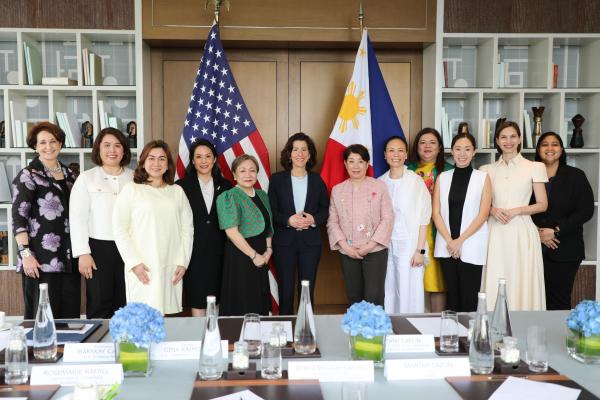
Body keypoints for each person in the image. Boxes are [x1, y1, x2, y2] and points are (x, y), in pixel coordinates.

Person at [112, 140, 193, 315]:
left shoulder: (177, 192)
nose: (156, 164)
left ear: (168, 164)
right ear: (143, 162)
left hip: (171, 265)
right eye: (151, 158)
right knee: (142, 317)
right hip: (143, 266)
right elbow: (120, 229)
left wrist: (183, 261)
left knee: (166, 317)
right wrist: (134, 263)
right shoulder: (131, 190)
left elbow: (188, 229)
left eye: (162, 159)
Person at [12, 121, 80, 318]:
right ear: (35, 146)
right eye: (42, 142)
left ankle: (65, 350)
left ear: (60, 144)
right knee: (42, 317)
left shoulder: (71, 175)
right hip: (40, 260)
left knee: (69, 318)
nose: (48, 146)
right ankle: (41, 350)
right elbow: (18, 217)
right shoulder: (28, 174)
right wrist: (26, 255)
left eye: (53, 141)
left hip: (68, 258)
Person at [481, 121, 548, 311]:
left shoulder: (535, 166)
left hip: (521, 230)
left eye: (512, 136)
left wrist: (516, 210)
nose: (508, 141)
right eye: (503, 137)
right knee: (495, 275)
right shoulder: (486, 170)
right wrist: (493, 210)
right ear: (497, 140)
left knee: (521, 278)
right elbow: (481, 205)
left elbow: (543, 204)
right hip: (495, 231)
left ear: (519, 139)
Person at [69, 128, 133, 319]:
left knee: (126, 300)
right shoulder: (86, 178)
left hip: (129, 247)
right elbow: (77, 217)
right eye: (106, 145)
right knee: (99, 301)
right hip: (98, 248)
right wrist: (83, 253)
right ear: (98, 149)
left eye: (117, 145)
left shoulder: (135, 177)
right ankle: (100, 347)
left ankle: (125, 346)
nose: (112, 150)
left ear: (124, 150)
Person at [532, 132, 594, 310]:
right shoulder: (530, 175)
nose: (549, 148)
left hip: (565, 249)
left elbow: (585, 211)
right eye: (544, 144)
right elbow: (523, 207)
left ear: (561, 150)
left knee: (558, 302)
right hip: (533, 247)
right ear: (538, 150)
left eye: (554, 144)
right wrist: (539, 232)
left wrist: (555, 231)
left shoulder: (575, 176)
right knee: (533, 301)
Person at [268, 133, 329, 315]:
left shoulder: (317, 180)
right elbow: (271, 210)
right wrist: (288, 220)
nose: (300, 153)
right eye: (295, 149)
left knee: (307, 290)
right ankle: (285, 330)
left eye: (304, 149)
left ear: (310, 155)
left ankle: (305, 330)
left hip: (310, 243)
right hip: (284, 243)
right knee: (285, 290)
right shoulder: (277, 179)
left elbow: (325, 209)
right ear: (289, 154)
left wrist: (313, 220)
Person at [327, 144, 393, 307]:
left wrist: (369, 246)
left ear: (367, 164)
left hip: (375, 250)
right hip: (348, 251)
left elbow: (388, 218)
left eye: (360, 161)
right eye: (351, 161)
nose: (356, 166)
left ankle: (376, 333)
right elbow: (332, 221)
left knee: (374, 296)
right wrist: (345, 246)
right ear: (345, 164)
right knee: (353, 296)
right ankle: (356, 332)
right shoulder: (337, 190)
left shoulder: (379, 186)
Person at [432, 133, 492, 312]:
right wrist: (451, 241)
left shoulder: (482, 177)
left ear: (474, 152)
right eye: (458, 149)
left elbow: (483, 214)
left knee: (469, 297)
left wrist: (459, 241)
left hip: (471, 244)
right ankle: (453, 337)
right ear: (452, 151)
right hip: (446, 245)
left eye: (467, 149)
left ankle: (469, 338)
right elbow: (436, 213)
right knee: (452, 298)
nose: (462, 153)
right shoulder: (443, 177)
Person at [175, 139, 232, 316]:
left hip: (221, 251)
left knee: (219, 297)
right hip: (193, 251)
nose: (204, 161)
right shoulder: (180, 187)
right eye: (198, 157)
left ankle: (215, 339)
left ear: (215, 159)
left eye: (208, 156)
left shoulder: (227, 186)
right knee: (197, 298)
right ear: (192, 160)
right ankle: (200, 340)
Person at [379, 136, 430, 313]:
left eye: (400, 150)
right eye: (391, 150)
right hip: (385, 245)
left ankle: (409, 333)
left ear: (406, 154)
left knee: (410, 291)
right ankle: (389, 330)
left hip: (410, 245)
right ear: (385, 155)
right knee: (389, 288)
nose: (396, 154)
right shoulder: (380, 182)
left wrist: (420, 251)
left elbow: (424, 219)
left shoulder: (416, 182)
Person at [217, 154, 273, 316]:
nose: (248, 175)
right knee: (243, 298)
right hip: (241, 255)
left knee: (258, 299)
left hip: (262, 254)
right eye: (242, 171)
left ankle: (258, 338)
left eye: (252, 170)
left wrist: (269, 249)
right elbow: (231, 232)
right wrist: (254, 256)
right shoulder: (228, 196)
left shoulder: (262, 195)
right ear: (234, 175)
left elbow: (268, 225)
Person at [408, 128, 453, 312]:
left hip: (439, 231)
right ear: (416, 147)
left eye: (432, 142)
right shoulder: (407, 170)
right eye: (422, 142)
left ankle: (437, 325)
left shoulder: (449, 170)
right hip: (414, 231)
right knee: (412, 278)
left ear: (440, 148)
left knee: (437, 279)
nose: (427, 146)